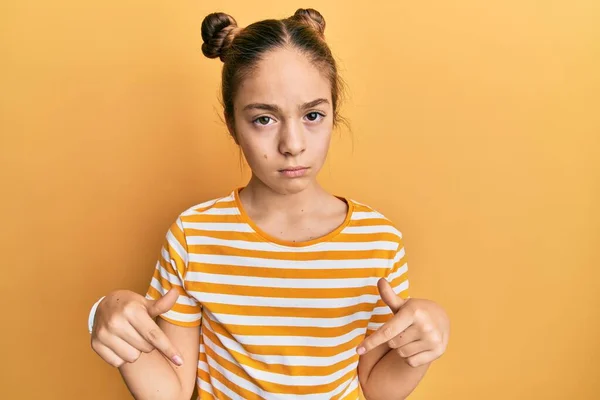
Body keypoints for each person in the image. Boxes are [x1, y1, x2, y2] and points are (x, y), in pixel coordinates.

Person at [89, 8, 450, 400]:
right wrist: (107, 313)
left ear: (333, 114)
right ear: (232, 125)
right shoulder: (194, 236)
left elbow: (378, 388)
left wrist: (425, 343)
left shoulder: (378, 242)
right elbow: (170, 392)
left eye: (313, 115)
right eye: (264, 119)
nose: (292, 144)